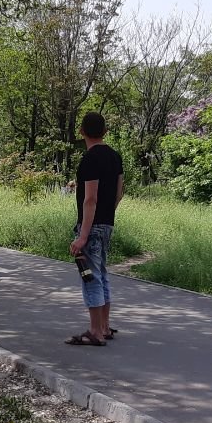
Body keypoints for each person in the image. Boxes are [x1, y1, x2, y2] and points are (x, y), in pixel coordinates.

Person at [67, 111, 124, 346]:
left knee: (90, 277)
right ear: (105, 131)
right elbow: (119, 192)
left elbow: (90, 199)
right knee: (101, 275)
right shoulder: (115, 156)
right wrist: (108, 214)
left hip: (92, 226)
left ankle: (95, 332)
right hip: (107, 223)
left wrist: (83, 236)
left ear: (81, 131)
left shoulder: (89, 159)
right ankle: (104, 327)